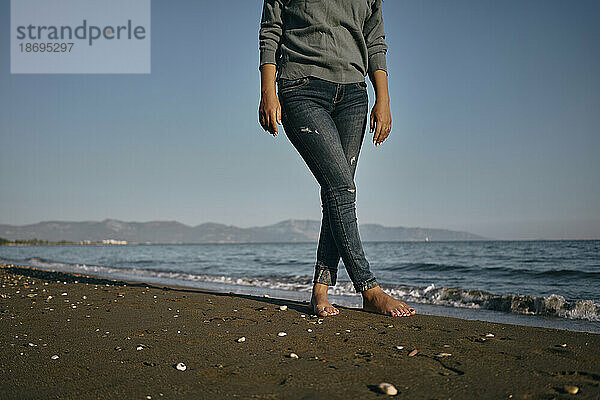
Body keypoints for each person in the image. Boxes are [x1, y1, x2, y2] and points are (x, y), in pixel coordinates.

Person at [258, 0, 416, 318]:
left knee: (337, 192)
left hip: (355, 95)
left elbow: (375, 40)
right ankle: (369, 289)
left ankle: (320, 291)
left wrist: (383, 100)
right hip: (301, 88)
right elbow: (270, 31)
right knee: (342, 189)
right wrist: (267, 92)